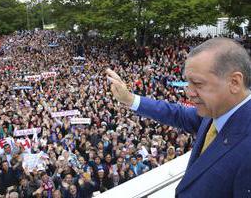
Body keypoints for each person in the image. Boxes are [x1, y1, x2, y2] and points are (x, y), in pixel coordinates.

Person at [106, 37, 251, 198]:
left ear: (235, 82)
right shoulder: (215, 111)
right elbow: (176, 113)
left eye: (198, 83)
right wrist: (130, 99)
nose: (189, 92)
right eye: (188, 83)